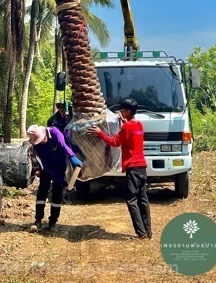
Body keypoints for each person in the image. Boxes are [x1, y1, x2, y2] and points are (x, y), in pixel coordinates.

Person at [87, 98, 152, 239]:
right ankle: (148, 232)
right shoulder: (138, 125)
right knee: (143, 199)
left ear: (128, 111)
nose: (121, 112)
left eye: (123, 110)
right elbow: (130, 134)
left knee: (132, 200)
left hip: (132, 167)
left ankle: (141, 233)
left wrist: (100, 133)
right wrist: (123, 121)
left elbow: (115, 142)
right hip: (142, 167)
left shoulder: (127, 127)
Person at [27, 124, 82, 233]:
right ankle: (38, 220)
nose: (42, 141)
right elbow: (46, 163)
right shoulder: (38, 146)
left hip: (60, 166)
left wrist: (72, 156)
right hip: (48, 169)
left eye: (42, 139)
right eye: (39, 141)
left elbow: (63, 145)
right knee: (42, 192)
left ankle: (53, 222)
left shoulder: (54, 132)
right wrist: (60, 180)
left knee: (57, 193)